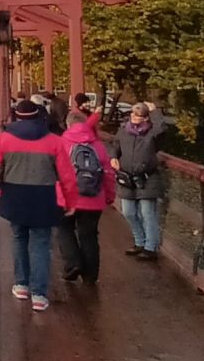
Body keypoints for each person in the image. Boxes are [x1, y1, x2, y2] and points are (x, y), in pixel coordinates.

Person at [0, 99, 76, 312]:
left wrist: (2, 192)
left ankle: (21, 284)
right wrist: (71, 202)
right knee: (41, 244)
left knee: (18, 239)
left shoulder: (4, 140)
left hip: (15, 195)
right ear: (39, 115)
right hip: (44, 197)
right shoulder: (54, 141)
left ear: (16, 116)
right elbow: (67, 177)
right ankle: (39, 294)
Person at [56, 109, 113, 284]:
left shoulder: (61, 143)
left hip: (67, 197)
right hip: (94, 197)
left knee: (63, 228)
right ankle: (90, 276)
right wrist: (109, 196)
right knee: (89, 235)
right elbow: (108, 173)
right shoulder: (98, 145)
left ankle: (73, 263)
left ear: (68, 124)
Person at [113, 101, 168, 261]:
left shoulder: (152, 132)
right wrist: (113, 157)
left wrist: (155, 111)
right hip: (126, 176)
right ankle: (139, 241)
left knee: (147, 213)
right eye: (133, 114)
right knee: (128, 212)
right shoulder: (123, 131)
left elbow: (162, 129)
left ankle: (150, 248)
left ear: (145, 118)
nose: (135, 117)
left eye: (140, 115)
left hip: (147, 177)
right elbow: (115, 145)